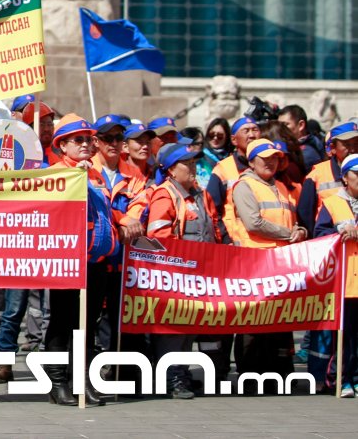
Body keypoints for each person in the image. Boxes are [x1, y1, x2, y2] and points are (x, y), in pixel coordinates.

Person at [43, 114, 118, 407]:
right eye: (78, 140)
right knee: (62, 323)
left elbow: (104, 212)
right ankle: (57, 383)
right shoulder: (56, 174)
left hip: (95, 262)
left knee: (86, 325)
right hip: (67, 262)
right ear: (63, 145)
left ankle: (81, 381)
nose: (86, 144)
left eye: (89, 139)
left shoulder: (96, 173)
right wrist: (78, 179)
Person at [226, 138, 306, 383]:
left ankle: (277, 374)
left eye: (275, 158)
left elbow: (292, 221)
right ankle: (250, 376)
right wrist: (289, 233)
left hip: (280, 262)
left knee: (278, 319)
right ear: (252, 162)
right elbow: (253, 223)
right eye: (265, 158)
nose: (271, 162)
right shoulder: (244, 186)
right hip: (255, 263)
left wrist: (300, 230)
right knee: (253, 321)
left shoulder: (281, 186)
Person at [146, 142, 221, 399]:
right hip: (175, 275)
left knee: (189, 327)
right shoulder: (165, 195)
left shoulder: (201, 194)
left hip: (200, 275)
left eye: (193, 162)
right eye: (186, 164)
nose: (192, 167)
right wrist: (179, 265)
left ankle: (182, 373)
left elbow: (215, 228)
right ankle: (172, 378)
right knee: (173, 328)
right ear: (171, 170)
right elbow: (158, 237)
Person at [313, 153, 358, 397]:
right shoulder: (332, 203)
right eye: (356, 174)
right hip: (344, 281)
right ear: (345, 178)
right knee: (345, 335)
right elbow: (320, 234)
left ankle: (356, 377)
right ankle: (340, 379)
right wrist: (340, 232)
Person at [206, 116, 261, 237]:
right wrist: (225, 238)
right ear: (234, 140)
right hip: (235, 241)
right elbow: (211, 210)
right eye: (246, 131)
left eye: (255, 130)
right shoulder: (223, 169)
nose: (252, 135)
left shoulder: (268, 166)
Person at [280, 104, 325, 169]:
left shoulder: (308, 153)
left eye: (285, 125)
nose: (280, 129)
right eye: (278, 125)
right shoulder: (293, 147)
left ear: (301, 125)